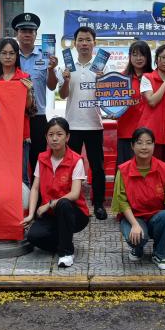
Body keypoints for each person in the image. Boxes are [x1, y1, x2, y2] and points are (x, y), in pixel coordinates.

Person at [23, 117, 90, 268]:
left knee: (63, 203)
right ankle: (64, 241)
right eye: (51, 134)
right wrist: (31, 214)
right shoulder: (42, 158)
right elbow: (35, 188)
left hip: (74, 213)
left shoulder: (76, 160)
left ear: (67, 137)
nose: (54, 138)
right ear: (46, 137)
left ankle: (66, 253)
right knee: (33, 236)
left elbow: (74, 194)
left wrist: (48, 205)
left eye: (59, 134)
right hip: (51, 215)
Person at [112, 127, 165, 269]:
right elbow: (122, 202)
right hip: (133, 217)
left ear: (154, 146)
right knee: (137, 236)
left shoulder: (163, 169)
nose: (144, 147)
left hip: (156, 217)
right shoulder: (123, 170)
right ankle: (137, 249)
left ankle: (160, 254)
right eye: (139, 143)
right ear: (132, 146)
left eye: (149, 143)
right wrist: (135, 225)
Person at [57, 25, 107, 220]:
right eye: (80, 40)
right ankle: (70, 203)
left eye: (88, 40)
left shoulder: (102, 67)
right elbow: (62, 95)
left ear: (94, 43)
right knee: (71, 166)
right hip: (72, 125)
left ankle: (99, 204)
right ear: (75, 43)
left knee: (97, 167)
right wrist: (66, 80)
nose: (84, 43)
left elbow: (107, 97)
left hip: (94, 124)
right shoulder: (67, 66)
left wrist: (103, 82)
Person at [13, 12, 59, 179]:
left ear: (36, 34)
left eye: (30, 31)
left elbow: (52, 86)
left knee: (38, 159)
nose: (27, 34)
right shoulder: (10, 56)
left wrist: (51, 70)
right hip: (14, 117)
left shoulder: (45, 57)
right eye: (23, 31)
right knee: (14, 158)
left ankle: (38, 193)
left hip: (37, 116)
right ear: (17, 34)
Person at [0, 37, 35, 184]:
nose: (8, 57)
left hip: (20, 135)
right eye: (4, 53)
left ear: (16, 56)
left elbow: (31, 109)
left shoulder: (24, 78)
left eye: (11, 53)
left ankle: (23, 200)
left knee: (21, 176)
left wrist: (28, 92)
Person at [140, 44, 165, 180]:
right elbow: (152, 101)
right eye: (163, 57)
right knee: (151, 175)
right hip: (150, 136)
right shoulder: (147, 78)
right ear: (156, 59)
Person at [115, 40, 152, 166]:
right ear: (129, 56)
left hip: (149, 133)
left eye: (142, 55)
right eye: (135, 54)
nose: (138, 58)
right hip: (126, 133)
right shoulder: (121, 78)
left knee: (147, 171)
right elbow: (114, 104)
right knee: (125, 170)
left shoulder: (154, 77)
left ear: (148, 57)